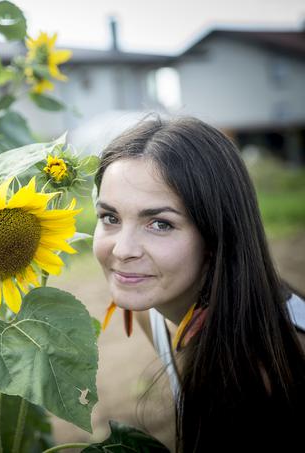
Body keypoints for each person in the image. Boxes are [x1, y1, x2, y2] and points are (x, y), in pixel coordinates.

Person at [92, 116, 305, 452]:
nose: (122, 250)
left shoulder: (271, 367)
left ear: (216, 234)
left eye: (160, 224)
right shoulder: (157, 315)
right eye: (110, 218)